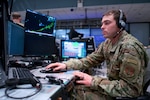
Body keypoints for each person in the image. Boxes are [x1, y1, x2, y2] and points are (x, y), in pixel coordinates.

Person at [45, 9, 149, 100]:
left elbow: (131, 90)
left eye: (107, 23)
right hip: (114, 90)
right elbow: (90, 60)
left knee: (72, 92)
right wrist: (66, 65)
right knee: (71, 86)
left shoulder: (129, 47)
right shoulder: (108, 43)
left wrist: (93, 81)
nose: (102, 27)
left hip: (123, 96)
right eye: (102, 23)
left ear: (120, 25)